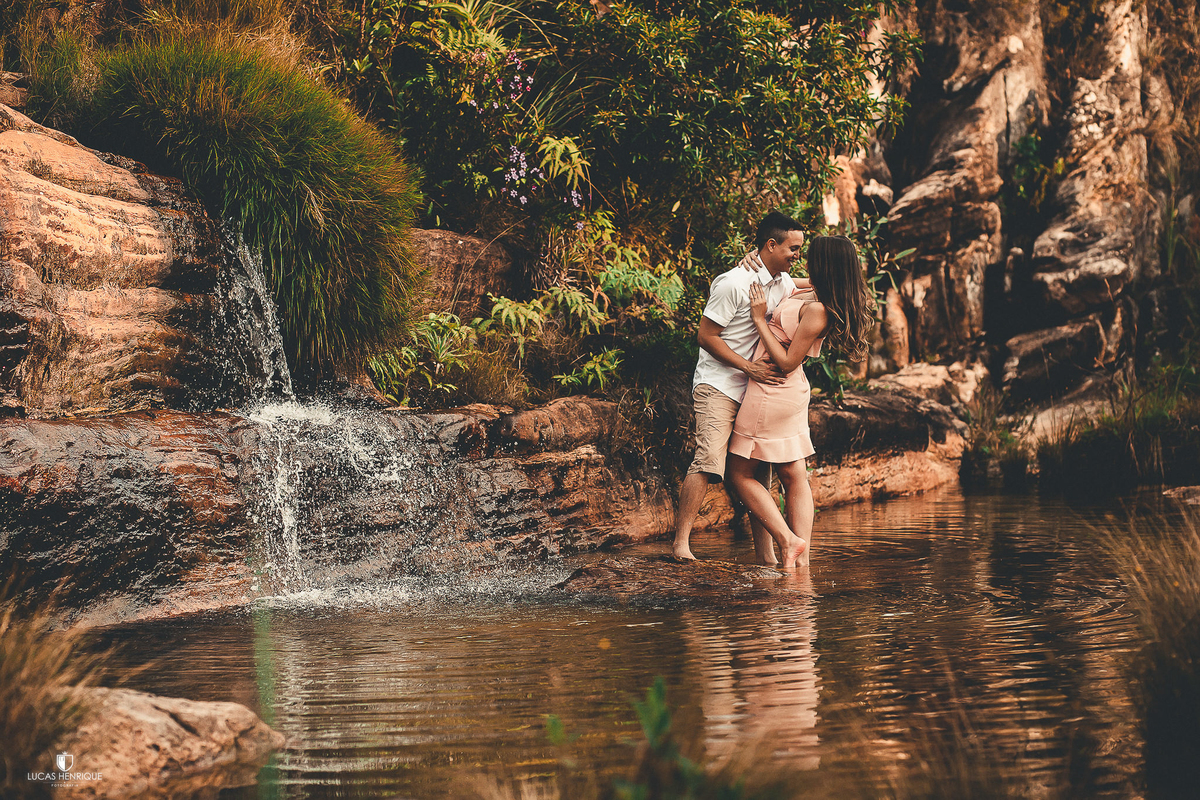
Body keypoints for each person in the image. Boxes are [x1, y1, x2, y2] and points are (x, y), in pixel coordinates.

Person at [727, 235, 875, 569]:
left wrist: (758, 318)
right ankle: (799, 563)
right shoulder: (814, 290)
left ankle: (789, 541)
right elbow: (775, 277)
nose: (802, 258)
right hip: (786, 393)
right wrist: (754, 259)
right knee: (794, 474)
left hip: (774, 389)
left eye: (810, 255)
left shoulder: (818, 309)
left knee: (738, 473)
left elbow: (787, 361)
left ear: (825, 263)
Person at [672, 211, 806, 561]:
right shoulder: (734, 282)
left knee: (759, 469)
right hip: (719, 385)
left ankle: (767, 555)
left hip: (754, 389)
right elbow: (705, 336)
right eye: (793, 249)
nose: (797, 255)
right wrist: (749, 367)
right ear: (771, 244)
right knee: (708, 461)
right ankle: (681, 544)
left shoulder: (782, 282)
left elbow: (821, 283)